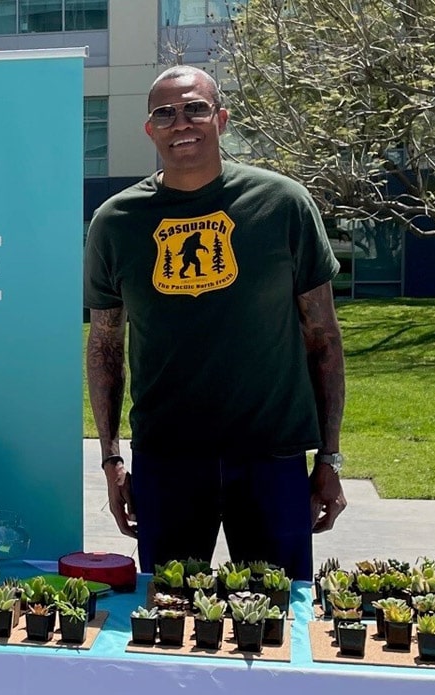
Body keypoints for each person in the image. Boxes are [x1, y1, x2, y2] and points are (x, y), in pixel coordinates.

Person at [83, 66, 347, 582]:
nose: (181, 122)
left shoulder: (283, 204)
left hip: (272, 456)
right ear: (149, 129)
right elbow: (105, 347)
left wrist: (330, 458)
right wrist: (111, 459)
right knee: (168, 620)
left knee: (276, 627)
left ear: (221, 119)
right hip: (169, 459)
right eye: (165, 113)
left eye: (195, 108)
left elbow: (323, 338)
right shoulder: (115, 222)